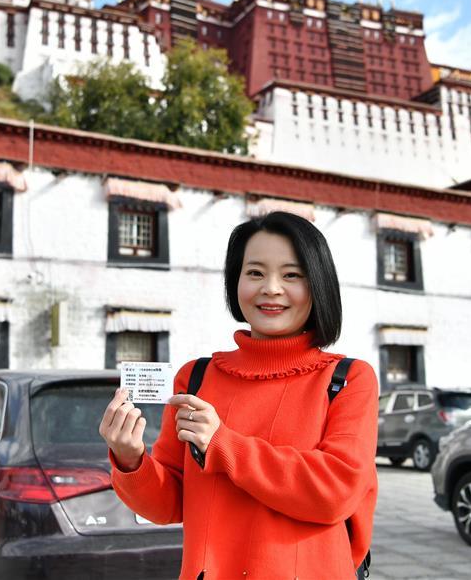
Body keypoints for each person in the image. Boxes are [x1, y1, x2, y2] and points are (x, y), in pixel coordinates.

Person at [99, 211, 378, 580]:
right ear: (236, 281)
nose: (271, 288)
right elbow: (168, 504)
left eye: (291, 275)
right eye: (255, 273)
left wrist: (223, 445)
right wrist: (130, 459)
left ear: (318, 284)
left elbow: (336, 493)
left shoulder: (349, 379)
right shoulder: (195, 377)